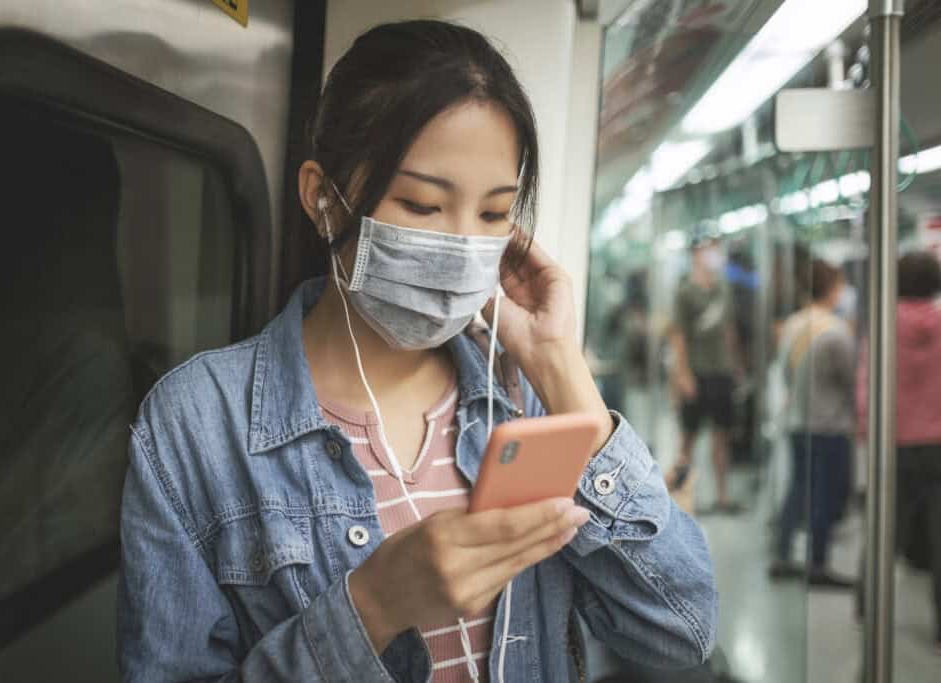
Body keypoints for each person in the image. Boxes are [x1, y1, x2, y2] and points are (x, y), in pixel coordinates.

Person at [116, 21, 717, 682]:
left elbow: (681, 630)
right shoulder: (195, 426)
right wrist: (373, 606)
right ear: (323, 197)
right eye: (424, 205)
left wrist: (559, 366)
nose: (463, 245)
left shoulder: (523, 396)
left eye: (493, 215)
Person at [857, 251, 941, 651]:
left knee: (883, 528)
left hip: (894, 444)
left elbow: (866, 387)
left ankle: (866, 605)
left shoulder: (883, 325)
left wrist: (865, 432)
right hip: (939, 445)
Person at [769, 260, 855, 588]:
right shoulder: (835, 330)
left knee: (797, 488)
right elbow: (851, 381)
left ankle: (782, 553)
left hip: (797, 422)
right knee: (825, 496)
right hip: (829, 425)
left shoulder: (793, 324)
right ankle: (817, 563)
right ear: (832, 288)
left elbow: (787, 373)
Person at [667, 234, 744, 513]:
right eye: (708, 249)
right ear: (696, 254)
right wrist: (683, 375)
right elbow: (678, 337)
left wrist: (736, 366)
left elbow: (729, 329)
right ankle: (680, 497)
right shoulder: (685, 291)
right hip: (696, 373)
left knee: (721, 436)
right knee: (688, 439)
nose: (714, 254)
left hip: (721, 372)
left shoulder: (723, 288)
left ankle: (722, 497)